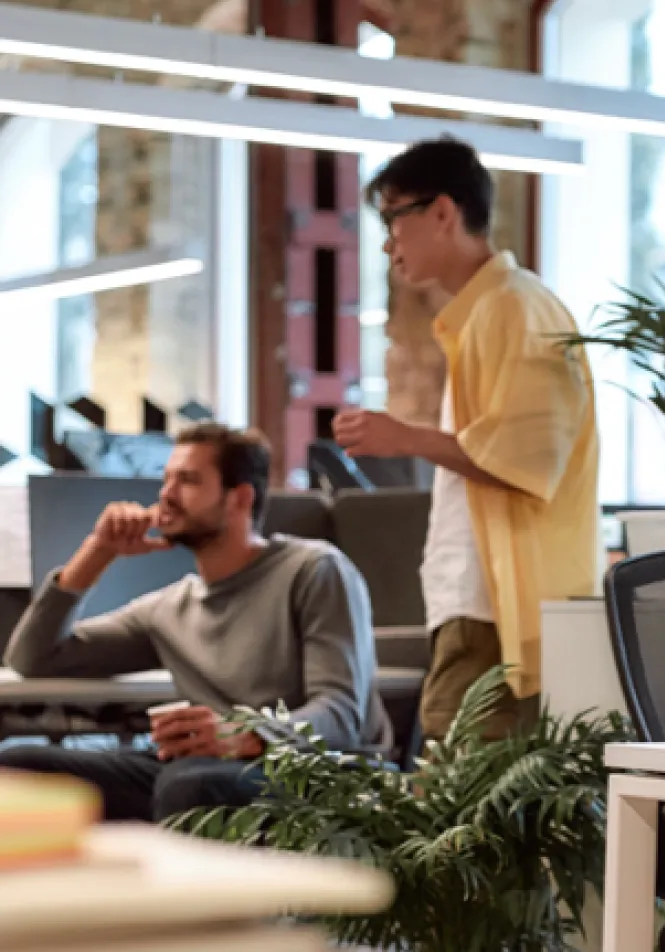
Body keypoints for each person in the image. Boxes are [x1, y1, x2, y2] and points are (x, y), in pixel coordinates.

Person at [332, 137, 599, 743]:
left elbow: (529, 458)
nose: (387, 243)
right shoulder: (489, 312)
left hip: (497, 608)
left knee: (459, 804)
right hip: (482, 603)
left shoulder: (514, 309)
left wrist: (407, 439)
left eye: (392, 220)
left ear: (443, 213)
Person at [0, 424, 389, 822]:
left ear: (239, 498)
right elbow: (33, 658)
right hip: (203, 769)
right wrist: (97, 553)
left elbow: (340, 716)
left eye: (187, 481)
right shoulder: (170, 607)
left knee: (190, 784)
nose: (165, 495)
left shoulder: (313, 570)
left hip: (310, 772)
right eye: (166, 479)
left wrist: (248, 735)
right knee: (18, 767)